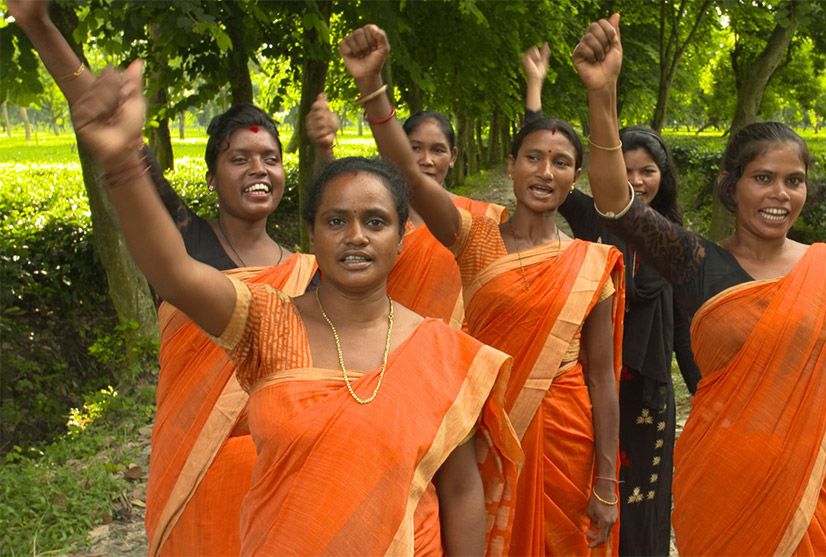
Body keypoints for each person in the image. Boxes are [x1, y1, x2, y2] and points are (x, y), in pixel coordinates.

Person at [68, 59, 521, 555]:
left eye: (375, 222)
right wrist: (121, 160)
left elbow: (459, 490)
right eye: (335, 221)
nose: (355, 236)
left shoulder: (440, 351)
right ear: (312, 235)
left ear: (400, 241)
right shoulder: (268, 323)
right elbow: (174, 270)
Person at [7, 3, 329, 555]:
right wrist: (39, 26)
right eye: (240, 158)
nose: (259, 169)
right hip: (199, 484)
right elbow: (115, 135)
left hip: (289, 483)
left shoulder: (307, 269)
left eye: (271, 158)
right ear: (211, 176)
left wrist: (326, 148)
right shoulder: (184, 244)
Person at [575, 14, 826, 556]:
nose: (780, 194)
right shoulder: (696, 260)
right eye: (763, 177)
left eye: (794, 181)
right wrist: (602, 98)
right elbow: (615, 204)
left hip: (805, 498)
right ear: (732, 186)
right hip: (717, 487)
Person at [340, 23, 624, 555]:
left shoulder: (590, 264)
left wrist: (606, 482)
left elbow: (604, 378)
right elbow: (405, 168)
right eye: (533, 158)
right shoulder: (472, 236)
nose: (545, 171)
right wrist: (373, 87)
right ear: (512, 166)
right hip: (481, 432)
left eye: (561, 162)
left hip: (566, 438)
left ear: (576, 177)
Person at [522, 40, 693, 555]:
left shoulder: (671, 239)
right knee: (588, 488)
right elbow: (543, 155)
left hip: (646, 386)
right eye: (628, 169)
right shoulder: (592, 217)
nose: (636, 181)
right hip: (590, 383)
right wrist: (536, 85)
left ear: (664, 180)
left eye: (648, 171)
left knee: (640, 496)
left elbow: (689, 324)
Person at [308, 103, 506, 328]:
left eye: (438, 150)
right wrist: (325, 149)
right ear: (399, 151)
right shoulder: (375, 217)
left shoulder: (479, 219)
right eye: (415, 148)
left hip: (450, 349)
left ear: (453, 156)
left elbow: (494, 299)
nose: (426, 160)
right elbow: (331, 206)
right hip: (366, 339)